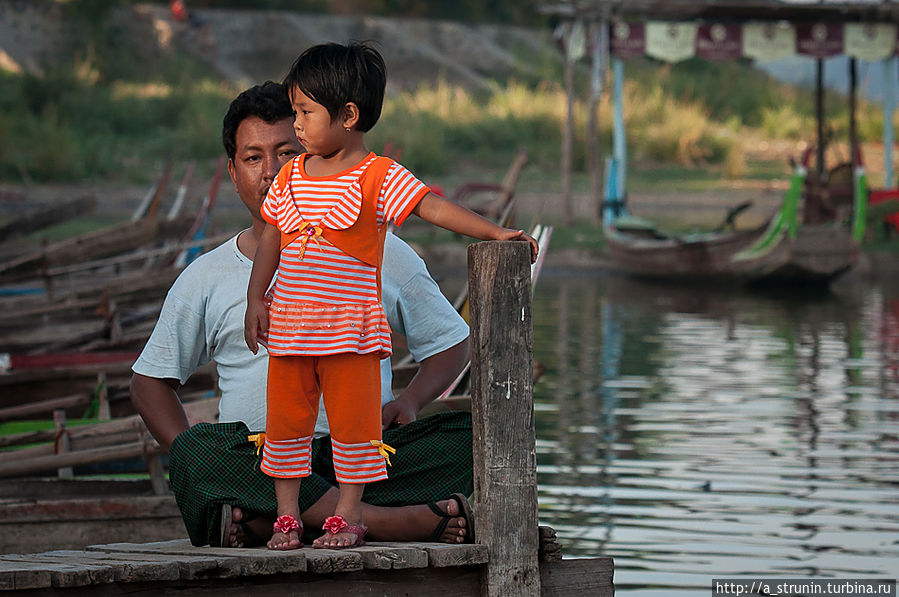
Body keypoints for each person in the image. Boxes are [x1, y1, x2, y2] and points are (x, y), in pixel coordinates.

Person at [131, 80, 476, 550]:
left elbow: (453, 342)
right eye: (253, 158)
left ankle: (269, 518)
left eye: (287, 152)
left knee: (470, 438)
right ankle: (382, 520)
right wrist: (198, 461)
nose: (274, 171)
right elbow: (149, 381)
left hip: (363, 458)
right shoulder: (205, 276)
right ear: (233, 172)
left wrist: (412, 401)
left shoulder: (382, 251)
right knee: (197, 453)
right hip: (257, 458)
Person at [245, 42, 538, 551]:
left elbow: (434, 209)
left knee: (355, 427)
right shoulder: (292, 175)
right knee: (285, 425)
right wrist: (256, 300)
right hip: (290, 332)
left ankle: (349, 514)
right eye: (296, 112)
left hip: (350, 334)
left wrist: (496, 234)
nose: (296, 124)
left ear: (349, 115)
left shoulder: (377, 175)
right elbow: (271, 236)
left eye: (306, 113)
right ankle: (287, 516)